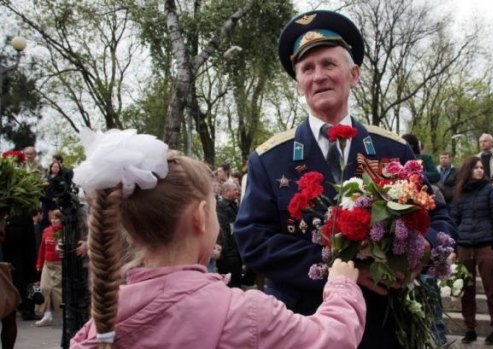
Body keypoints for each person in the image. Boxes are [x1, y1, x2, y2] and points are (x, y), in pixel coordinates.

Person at [234, 10, 456, 349]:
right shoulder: (268, 159)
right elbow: (253, 241)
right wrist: (343, 269)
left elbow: (437, 214)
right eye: (307, 69)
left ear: (354, 74)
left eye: (329, 64)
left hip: (384, 326)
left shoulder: (393, 149)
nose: (318, 76)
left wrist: (424, 248)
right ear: (298, 84)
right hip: (303, 325)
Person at [70, 130, 366, 349]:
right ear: (200, 216)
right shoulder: (245, 314)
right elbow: (331, 339)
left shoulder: (102, 323)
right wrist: (342, 286)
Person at [451, 157, 493, 345]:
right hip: (464, 245)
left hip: (485, 245)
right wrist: (453, 247)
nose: (480, 170)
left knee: (492, 288)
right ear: (468, 171)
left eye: (482, 167)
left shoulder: (490, 190)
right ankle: (470, 328)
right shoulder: (460, 193)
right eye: (476, 168)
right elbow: (454, 220)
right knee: (466, 290)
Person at [35, 209, 64, 327]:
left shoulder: (65, 231)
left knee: (57, 291)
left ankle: (64, 315)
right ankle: (47, 315)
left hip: (59, 264)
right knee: (44, 288)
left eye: (56, 218)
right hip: (47, 263)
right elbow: (42, 248)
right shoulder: (46, 231)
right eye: (52, 218)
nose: (54, 220)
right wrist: (39, 263)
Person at [216, 180, 243, 287]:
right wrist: (225, 254)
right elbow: (223, 232)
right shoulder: (221, 208)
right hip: (229, 255)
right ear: (226, 192)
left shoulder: (234, 205)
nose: (237, 191)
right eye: (234, 189)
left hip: (236, 251)